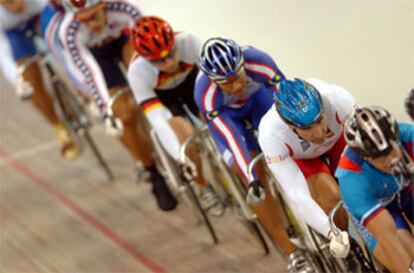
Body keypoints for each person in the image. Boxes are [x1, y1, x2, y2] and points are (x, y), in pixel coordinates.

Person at [194, 37, 313, 273]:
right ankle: (291, 252)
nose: (236, 86)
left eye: (238, 76)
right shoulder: (205, 94)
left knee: (290, 143)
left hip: (259, 103)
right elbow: (230, 139)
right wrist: (251, 179)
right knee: (251, 175)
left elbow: (287, 102)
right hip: (230, 119)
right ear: (214, 81)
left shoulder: (259, 61)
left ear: (242, 65)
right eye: (227, 84)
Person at [59, 0, 176, 211]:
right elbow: (91, 74)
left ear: (104, 5)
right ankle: (151, 171)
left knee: (146, 72)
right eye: (84, 20)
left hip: (124, 41)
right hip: (97, 60)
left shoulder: (123, 7)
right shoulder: (70, 32)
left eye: (95, 16)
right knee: (123, 116)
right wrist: (107, 112)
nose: (93, 25)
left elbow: (149, 46)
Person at [127, 16, 221, 212]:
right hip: (166, 100)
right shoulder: (137, 72)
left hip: (193, 84)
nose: (169, 63)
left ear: (174, 43)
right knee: (187, 138)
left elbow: (218, 83)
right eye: (160, 61)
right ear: (146, 59)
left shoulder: (190, 42)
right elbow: (158, 120)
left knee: (217, 119)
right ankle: (202, 184)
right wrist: (181, 157)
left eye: (171, 54)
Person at [255, 78, 358, 258]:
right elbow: (298, 195)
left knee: (358, 184)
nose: (318, 133)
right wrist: (332, 233)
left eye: (319, 121)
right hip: (303, 158)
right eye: (308, 128)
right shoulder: (271, 135)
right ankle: (352, 254)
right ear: (291, 127)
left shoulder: (336, 97)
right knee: (332, 196)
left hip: (337, 142)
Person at [336, 106, 414, 273]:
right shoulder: (351, 179)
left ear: (396, 138)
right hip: (381, 210)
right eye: (379, 158)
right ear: (364, 158)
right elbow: (389, 240)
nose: (390, 160)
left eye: (391, 151)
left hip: (408, 192)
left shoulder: (410, 136)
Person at [0, 0, 80, 160]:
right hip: (13, 33)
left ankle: (82, 92)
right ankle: (59, 127)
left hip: (41, 16)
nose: (15, 6)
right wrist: (19, 80)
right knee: (31, 83)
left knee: (64, 47)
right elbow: (3, 54)